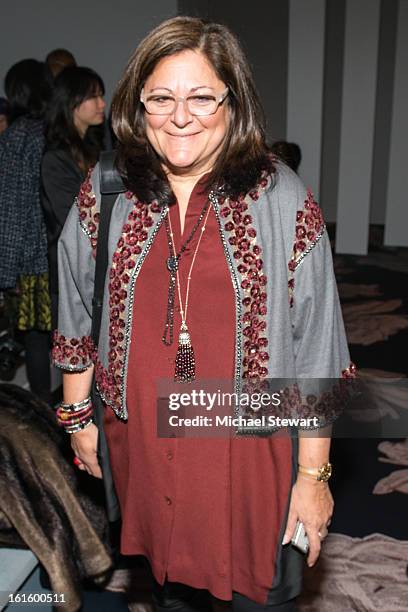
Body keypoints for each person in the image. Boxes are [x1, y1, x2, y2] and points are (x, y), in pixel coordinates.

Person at [52, 16, 355, 611]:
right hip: (143, 441)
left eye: (201, 98)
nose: (181, 116)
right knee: (166, 588)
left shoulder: (281, 197)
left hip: (249, 459)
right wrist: (78, 415)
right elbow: (76, 302)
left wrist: (313, 479)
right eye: (161, 97)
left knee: (254, 593)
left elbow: (318, 343)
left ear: (232, 103)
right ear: (137, 106)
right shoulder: (108, 188)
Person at [0, 59, 52, 404]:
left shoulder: (18, 135)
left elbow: (13, 208)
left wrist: (6, 271)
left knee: (34, 338)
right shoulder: (54, 129)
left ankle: (44, 414)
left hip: (31, 259)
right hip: (56, 251)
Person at [41, 66, 105, 329]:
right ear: (72, 103)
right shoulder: (55, 158)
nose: (102, 104)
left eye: (102, 95)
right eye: (94, 97)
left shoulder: (91, 147)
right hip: (72, 266)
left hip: (94, 263)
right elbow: (71, 215)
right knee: (74, 352)